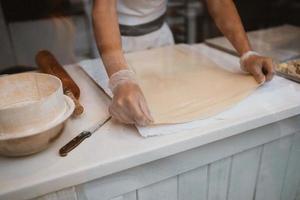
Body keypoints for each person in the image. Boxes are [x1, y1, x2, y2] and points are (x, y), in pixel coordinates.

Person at [92, 0, 275, 126]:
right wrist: (120, 77)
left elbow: (219, 2)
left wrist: (247, 53)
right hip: (115, 43)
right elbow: (104, 8)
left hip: (160, 38)